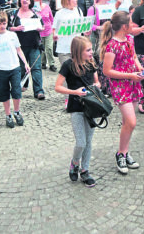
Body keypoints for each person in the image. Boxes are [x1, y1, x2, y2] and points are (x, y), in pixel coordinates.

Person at [101, 11, 144, 175]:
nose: (134, 26)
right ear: (125, 26)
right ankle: (120, 154)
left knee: (128, 123)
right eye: (132, 23)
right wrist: (130, 75)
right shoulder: (112, 45)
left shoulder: (130, 40)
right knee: (131, 122)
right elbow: (107, 71)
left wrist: (139, 67)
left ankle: (124, 153)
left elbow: (133, 57)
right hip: (121, 86)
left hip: (133, 83)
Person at [54, 36, 99, 188]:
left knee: (89, 141)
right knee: (81, 142)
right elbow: (58, 87)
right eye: (88, 50)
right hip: (76, 108)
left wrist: (96, 87)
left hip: (91, 107)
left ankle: (85, 170)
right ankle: (74, 163)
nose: (91, 52)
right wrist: (75, 92)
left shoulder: (91, 63)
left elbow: (96, 81)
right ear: (79, 51)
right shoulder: (68, 65)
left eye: (91, 49)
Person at [0, 11, 30, 128]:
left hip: (15, 67)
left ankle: (17, 111)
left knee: (17, 92)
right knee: (4, 93)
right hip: (1, 70)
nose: (2, 26)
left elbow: (19, 50)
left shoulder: (12, 35)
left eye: (4, 23)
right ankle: (8, 114)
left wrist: (25, 63)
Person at [8, 0, 46, 100]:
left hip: (34, 45)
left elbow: (43, 27)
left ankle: (38, 91)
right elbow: (7, 27)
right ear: (20, 0)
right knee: (20, 68)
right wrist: (16, 28)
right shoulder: (13, 14)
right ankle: (21, 86)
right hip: (18, 46)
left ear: (30, 1)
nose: (25, 0)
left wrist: (40, 29)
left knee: (36, 68)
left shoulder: (36, 14)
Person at [53, 0, 83, 64]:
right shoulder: (59, 13)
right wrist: (55, 35)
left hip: (77, 48)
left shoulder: (79, 11)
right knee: (67, 72)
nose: (76, 0)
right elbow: (54, 28)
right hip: (64, 48)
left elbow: (82, 26)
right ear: (67, 0)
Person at [33, 0, 57, 72]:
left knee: (49, 48)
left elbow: (51, 18)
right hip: (38, 31)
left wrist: (54, 30)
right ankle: (43, 62)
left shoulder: (46, 6)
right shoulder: (33, 8)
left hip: (48, 30)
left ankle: (52, 64)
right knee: (42, 48)